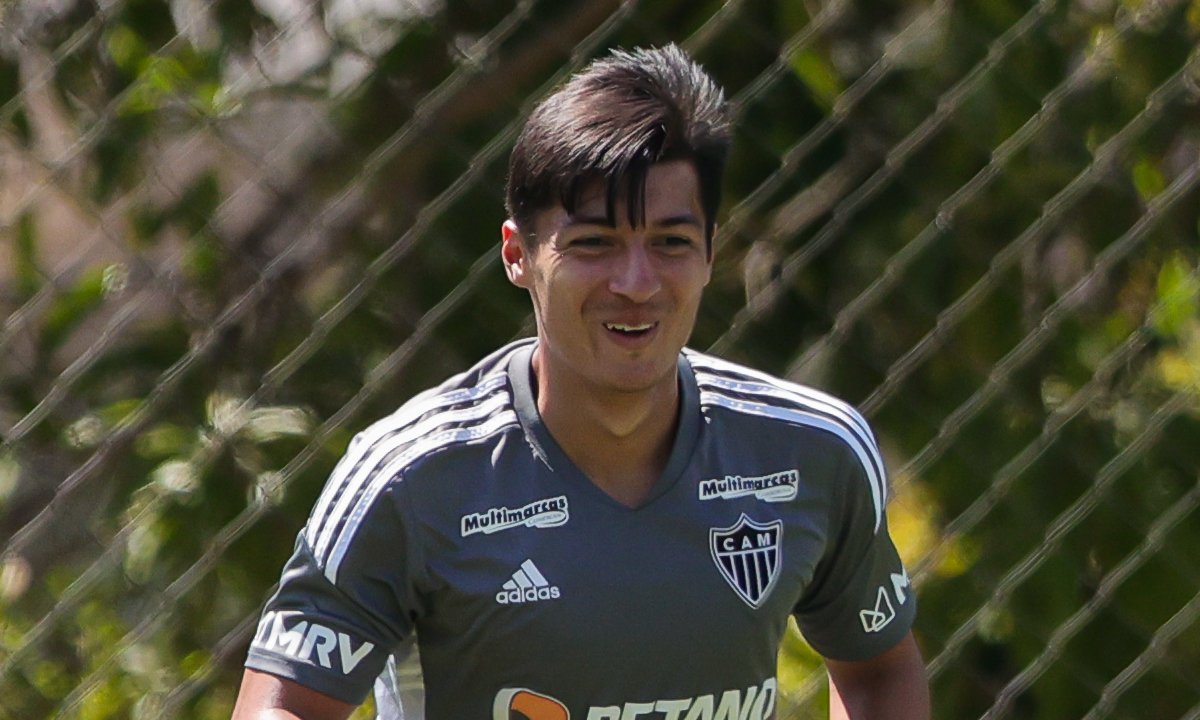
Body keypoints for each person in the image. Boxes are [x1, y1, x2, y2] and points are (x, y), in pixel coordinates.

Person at [232, 44, 930, 720]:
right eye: (594, 244)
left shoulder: (811, 452)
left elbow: (880, 670)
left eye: (671, 243)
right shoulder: (412, 479)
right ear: (518, 255)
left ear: (711, 252)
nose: (637, 284)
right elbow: (286, 705)